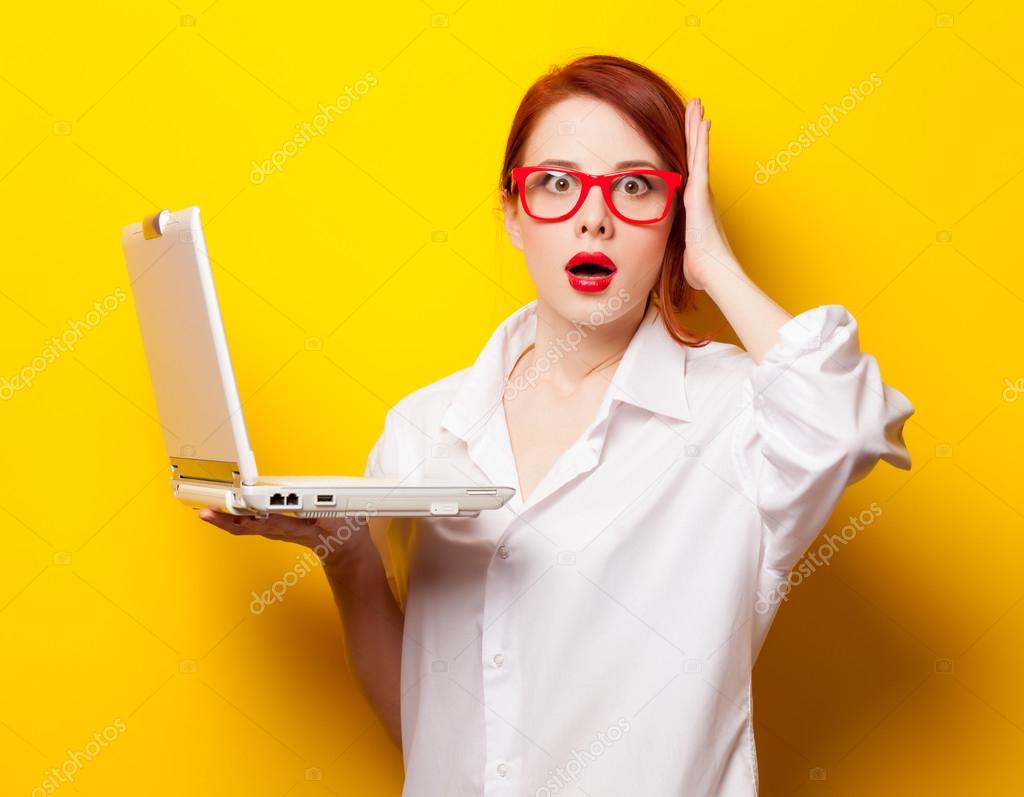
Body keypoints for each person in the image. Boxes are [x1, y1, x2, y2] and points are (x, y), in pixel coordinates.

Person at [201, 54, 914, 796]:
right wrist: (346, 558)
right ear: (512, 212)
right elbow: (429, 731)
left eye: (637, 186)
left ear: (676, 214)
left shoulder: (734, 413)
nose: (594, 216)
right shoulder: (424, 428)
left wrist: (711, 262)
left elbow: (850, 427)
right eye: (557, 183)